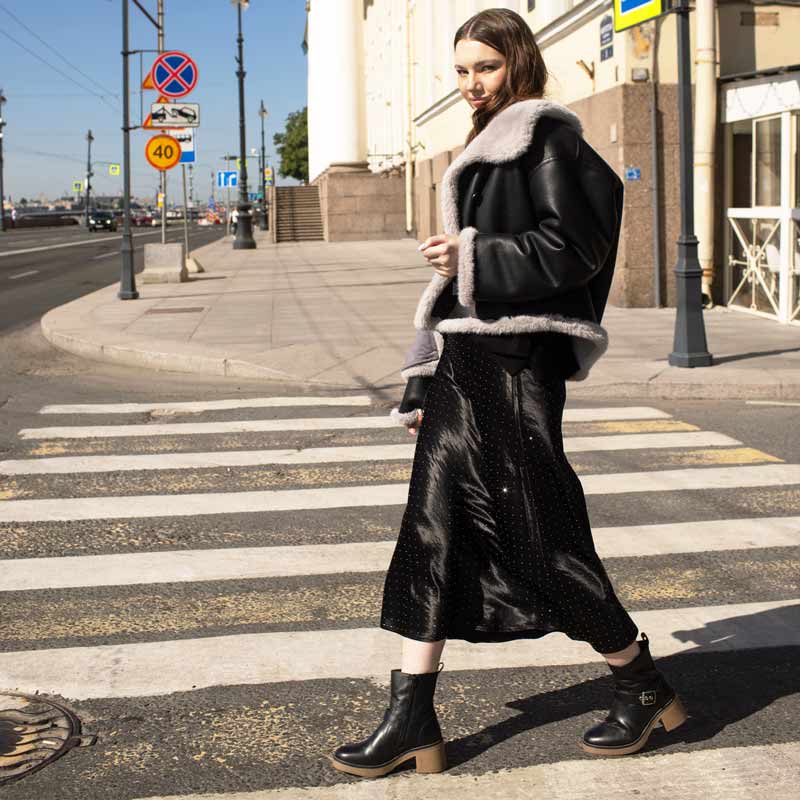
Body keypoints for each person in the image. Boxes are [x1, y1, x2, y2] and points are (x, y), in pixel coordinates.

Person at [328, 8, 688, 780]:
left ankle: (643, 682)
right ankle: (412, 713)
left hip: (516, 367)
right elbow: (467, 288)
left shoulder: (547, 137)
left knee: (538, 534)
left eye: (483, 68)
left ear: (518, 63)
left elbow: (577, 247)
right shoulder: (488, 143)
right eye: (460, 71)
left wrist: (471, 252)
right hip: (467, 364)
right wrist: (429, 371)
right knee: (431, 533)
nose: (470, 84)